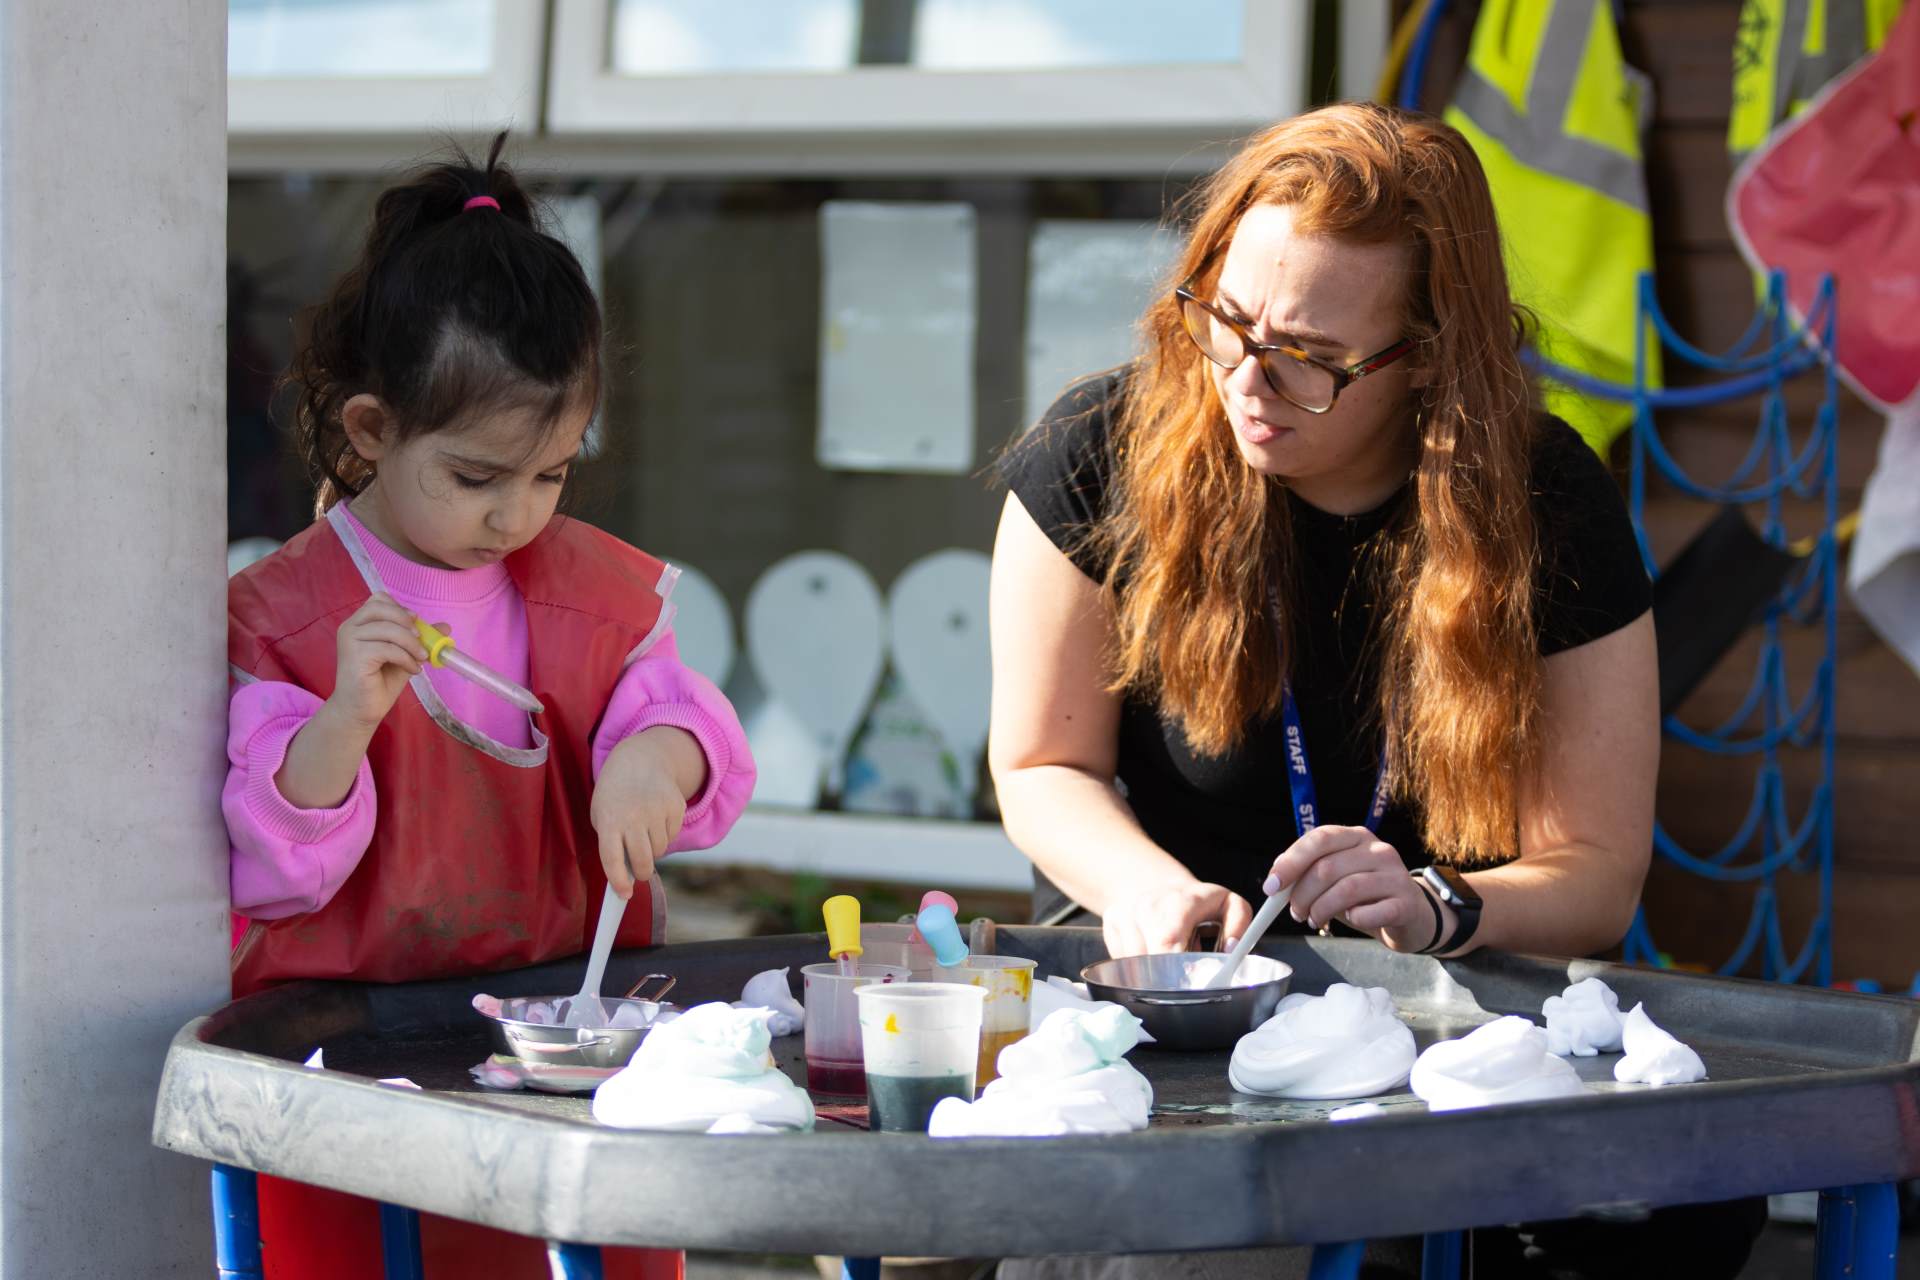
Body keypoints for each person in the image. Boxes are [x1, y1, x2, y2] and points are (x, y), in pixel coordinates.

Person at [989, 103, 1762, 1278]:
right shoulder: (1103, 447)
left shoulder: (1544, 501)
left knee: (1684, 1206)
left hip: (1433, 993)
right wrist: (1144, 887)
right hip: (1176, 993)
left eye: (1309, 357)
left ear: (1429, 358)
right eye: (1226, 319)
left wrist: (1440, 901)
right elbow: (1043, 764)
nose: (1248, 379)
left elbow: (1596, 870)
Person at [224, 136, 754, 1280]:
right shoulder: (281, 616)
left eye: (551, 472)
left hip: (579, 1078)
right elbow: (270, 868)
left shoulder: (596, 592)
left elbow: (684, 719)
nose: (517, 514)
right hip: (352, 1096)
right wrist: (342, 721)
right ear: (372, 429)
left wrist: (654, 762)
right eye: (477, 477)